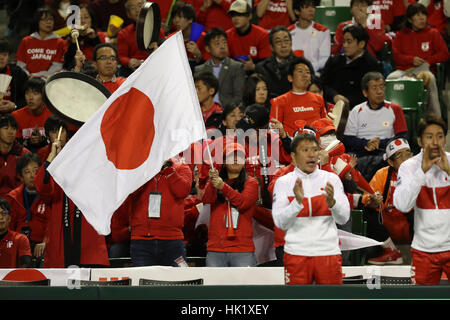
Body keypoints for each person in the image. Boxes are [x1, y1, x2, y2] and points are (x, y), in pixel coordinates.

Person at [272, 132, 350, 284]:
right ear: (293, 157)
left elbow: (344, 218)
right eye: (305, 150)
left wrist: (333, 203)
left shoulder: (331, 179)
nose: (311, 155)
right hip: (296, 254)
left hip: (328, 253)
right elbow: (280, 223)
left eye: (314, 150)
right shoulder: (283, 182)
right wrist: (297, 203)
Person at [34, 132, 110, 268]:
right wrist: (52, 157)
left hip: (90, 252)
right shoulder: (56, 178)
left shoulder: (93, 175)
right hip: (61, 252)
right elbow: (41, 186)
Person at [393, 114, 449, 285]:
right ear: (419, 141)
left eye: (439, 136)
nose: (435, 142)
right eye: (429, 136)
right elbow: (402, 205)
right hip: (423, 251)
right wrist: (421, 172)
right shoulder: (409, 167)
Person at [126, 159, 192, 267]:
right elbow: (130, 190)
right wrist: (148, 168)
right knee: (142, 282)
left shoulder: (182, 168)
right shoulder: (138, 168)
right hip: (142, 240)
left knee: (177, 282)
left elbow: (182, 191)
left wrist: (168, 169)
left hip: (172, 240)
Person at [387, 3, 449, 117]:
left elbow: (444, 54)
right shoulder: (400, 35)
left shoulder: (433, 33)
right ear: (410, 19)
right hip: (405, 70)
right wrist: (411, 60)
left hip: (424, 70)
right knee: (391, 79)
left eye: (424, 14)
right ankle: (392, 116)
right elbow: (396, 56)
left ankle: (434, 117)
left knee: (429, 79)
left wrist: (428, 61)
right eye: (417, 15)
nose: (422, 18)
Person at [202, 142, 259, 267]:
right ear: (223, 161)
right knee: (215, 285)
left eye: (239, 156)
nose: (235, 160)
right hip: (216, 248)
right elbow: (206, 200)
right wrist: (212, 184)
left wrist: (223, 187)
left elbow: (242, 203)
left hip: (242, 249)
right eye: (230, 156)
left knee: (244, 286)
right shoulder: (215, 180)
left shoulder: (252, 183)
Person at [343, 71, 408, 180]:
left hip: (385, 151)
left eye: (382, 87)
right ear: (365, 92)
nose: (379, 92)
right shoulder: (357, 110)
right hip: (361, 151)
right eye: (374, 88)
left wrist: (379, 143)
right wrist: (366, 143)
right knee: (345, 160)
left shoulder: (395, 109)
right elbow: (348, 139)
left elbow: (403, 138)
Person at [361, 137, 413, 265]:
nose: (406, 159)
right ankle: (391, 250)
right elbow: (366, 200)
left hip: (410, 224)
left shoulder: (420, 173)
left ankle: (422, 253)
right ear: (390, 161)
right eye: (400, 156)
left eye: (408, 154)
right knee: (367, 210)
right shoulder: (382, 174)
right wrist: (374, 200)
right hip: (388, 226)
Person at [320, 24, 383, 109]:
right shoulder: (334, 60)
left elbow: (371, 92)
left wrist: (347, 101)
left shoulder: (372, 65)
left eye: (349, 42)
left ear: (361, 44)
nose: (345, 45)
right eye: (344, 41)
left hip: (360, 110)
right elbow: (323, 84)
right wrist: (334, 96)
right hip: (332, 107)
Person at [5, 153, 49, 267]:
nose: (32, 175)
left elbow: (53, 224)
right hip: (18, 245)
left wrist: (45, 242)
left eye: (35, 170)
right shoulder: (13, 198)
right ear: (20, 177)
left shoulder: (48, 195)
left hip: (41, 245)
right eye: (27, 172)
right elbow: (8, 227)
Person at [270, 56, 326, 137]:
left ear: (310, 79)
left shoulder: (319, 99)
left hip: (317, 145)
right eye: (300, 71)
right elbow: (273, 132)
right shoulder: (278, 101)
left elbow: (324, 126)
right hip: (291, 146)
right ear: (290, 78)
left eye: (307, 72)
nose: (305, 75)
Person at [195, 27, 246, 108]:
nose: (222, 46)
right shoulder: (200, 70)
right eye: (217, 43)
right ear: (208, 48)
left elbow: (238, 97)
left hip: (228, 112)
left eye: (224, 43)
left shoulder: (236, 67)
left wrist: (225, 111)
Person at [15, 7, 67, 79]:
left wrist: (37, 76)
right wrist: (28, 76)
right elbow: (20, 65)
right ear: (37, 21)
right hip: (27, 80)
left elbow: (57, 67)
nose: (49, 22)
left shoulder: (60, 42)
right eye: (45, 19)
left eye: (51, 19)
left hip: (48, 81)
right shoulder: (26, 41)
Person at [226, 0, 272, 72]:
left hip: (257, 75)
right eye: (233, 15)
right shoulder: (227, 35)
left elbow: (267, 64)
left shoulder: (263, 35)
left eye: (240, 14)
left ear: (250, 16)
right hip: (234, 73)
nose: (235, 18)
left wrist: (254, 67)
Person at [11, 77, 53, 154]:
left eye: (35, 93)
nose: (30, 98)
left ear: (44, 96)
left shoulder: (52, 115)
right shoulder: (16, 115)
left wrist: (43, 141)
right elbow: (13, 145)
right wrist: (28, 142)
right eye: (27, 93)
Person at [63, 4, 110, 71]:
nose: (83, 21)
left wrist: (95, 39)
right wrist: (74, 42)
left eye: (86, 17)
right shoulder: (69, 39)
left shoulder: (102, 36)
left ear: (91, 19)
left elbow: (107, 60)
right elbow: (67, 65)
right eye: (79, 18)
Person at [288, 0, 330, 74]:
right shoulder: (288, 32)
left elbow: (325, 58)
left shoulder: (323, 31)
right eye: (307, 7)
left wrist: (308, 69)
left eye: (313, 6)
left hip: (315, 73)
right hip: (293, 73)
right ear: (297, 11)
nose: (311, 10)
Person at [255, 26, 297, 100]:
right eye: (278, 42)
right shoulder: (262, 68)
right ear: (271, 47)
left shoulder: (301, 65)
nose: (283, 45)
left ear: (291, 43)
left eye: (286, 41)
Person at [117, 0, 151, 77]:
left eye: (140, 6)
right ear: (128, 14)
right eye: (133, 8)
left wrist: (143, 62)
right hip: (132, 71)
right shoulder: (123, 33)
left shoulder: (157, 30)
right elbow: (122, 57)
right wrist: (129, 62)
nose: (137, 10)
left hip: (152, 68)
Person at [0, 114, 31, 198]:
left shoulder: (24, 154)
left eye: (13, 129)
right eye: (6, 128)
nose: (10, 132)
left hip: (18, 202)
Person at [0, 197, 32, 268]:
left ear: (10, 218)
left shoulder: (21, 239)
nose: (0, 217)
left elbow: (26, 267)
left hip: (11, 279)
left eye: (4, 213)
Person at [0, 40, 28, 113]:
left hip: (13, 116)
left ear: (9, 57)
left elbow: (27, 99)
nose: (1, 58)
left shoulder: (18, 73)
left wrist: (15, 106)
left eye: (5, 55)